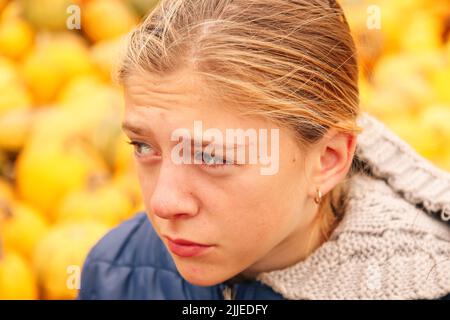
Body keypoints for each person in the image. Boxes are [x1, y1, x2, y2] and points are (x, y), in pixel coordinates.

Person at [78, 0, 450, 300]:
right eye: (144, 146)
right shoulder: (116, 272)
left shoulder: (434, 280)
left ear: (327, 159)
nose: (162, 203)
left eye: (212, 156)